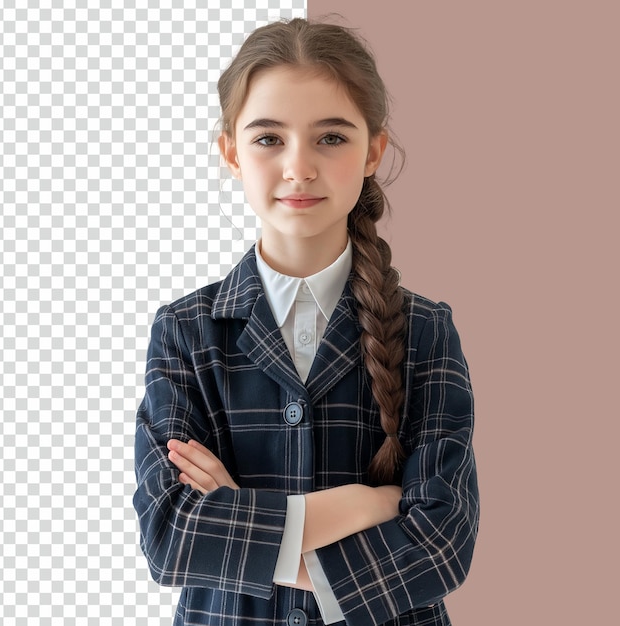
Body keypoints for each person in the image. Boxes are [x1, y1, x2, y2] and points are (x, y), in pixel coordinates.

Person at [133, 17, 479, 626]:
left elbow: (443, 542)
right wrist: (365, 504)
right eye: (269, 138)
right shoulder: (185, 332)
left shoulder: (425, 330)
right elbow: (170, 538)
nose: (299, 167)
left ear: (373, 149)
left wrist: (242, 516)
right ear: (231, 152)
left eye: (331, 138)